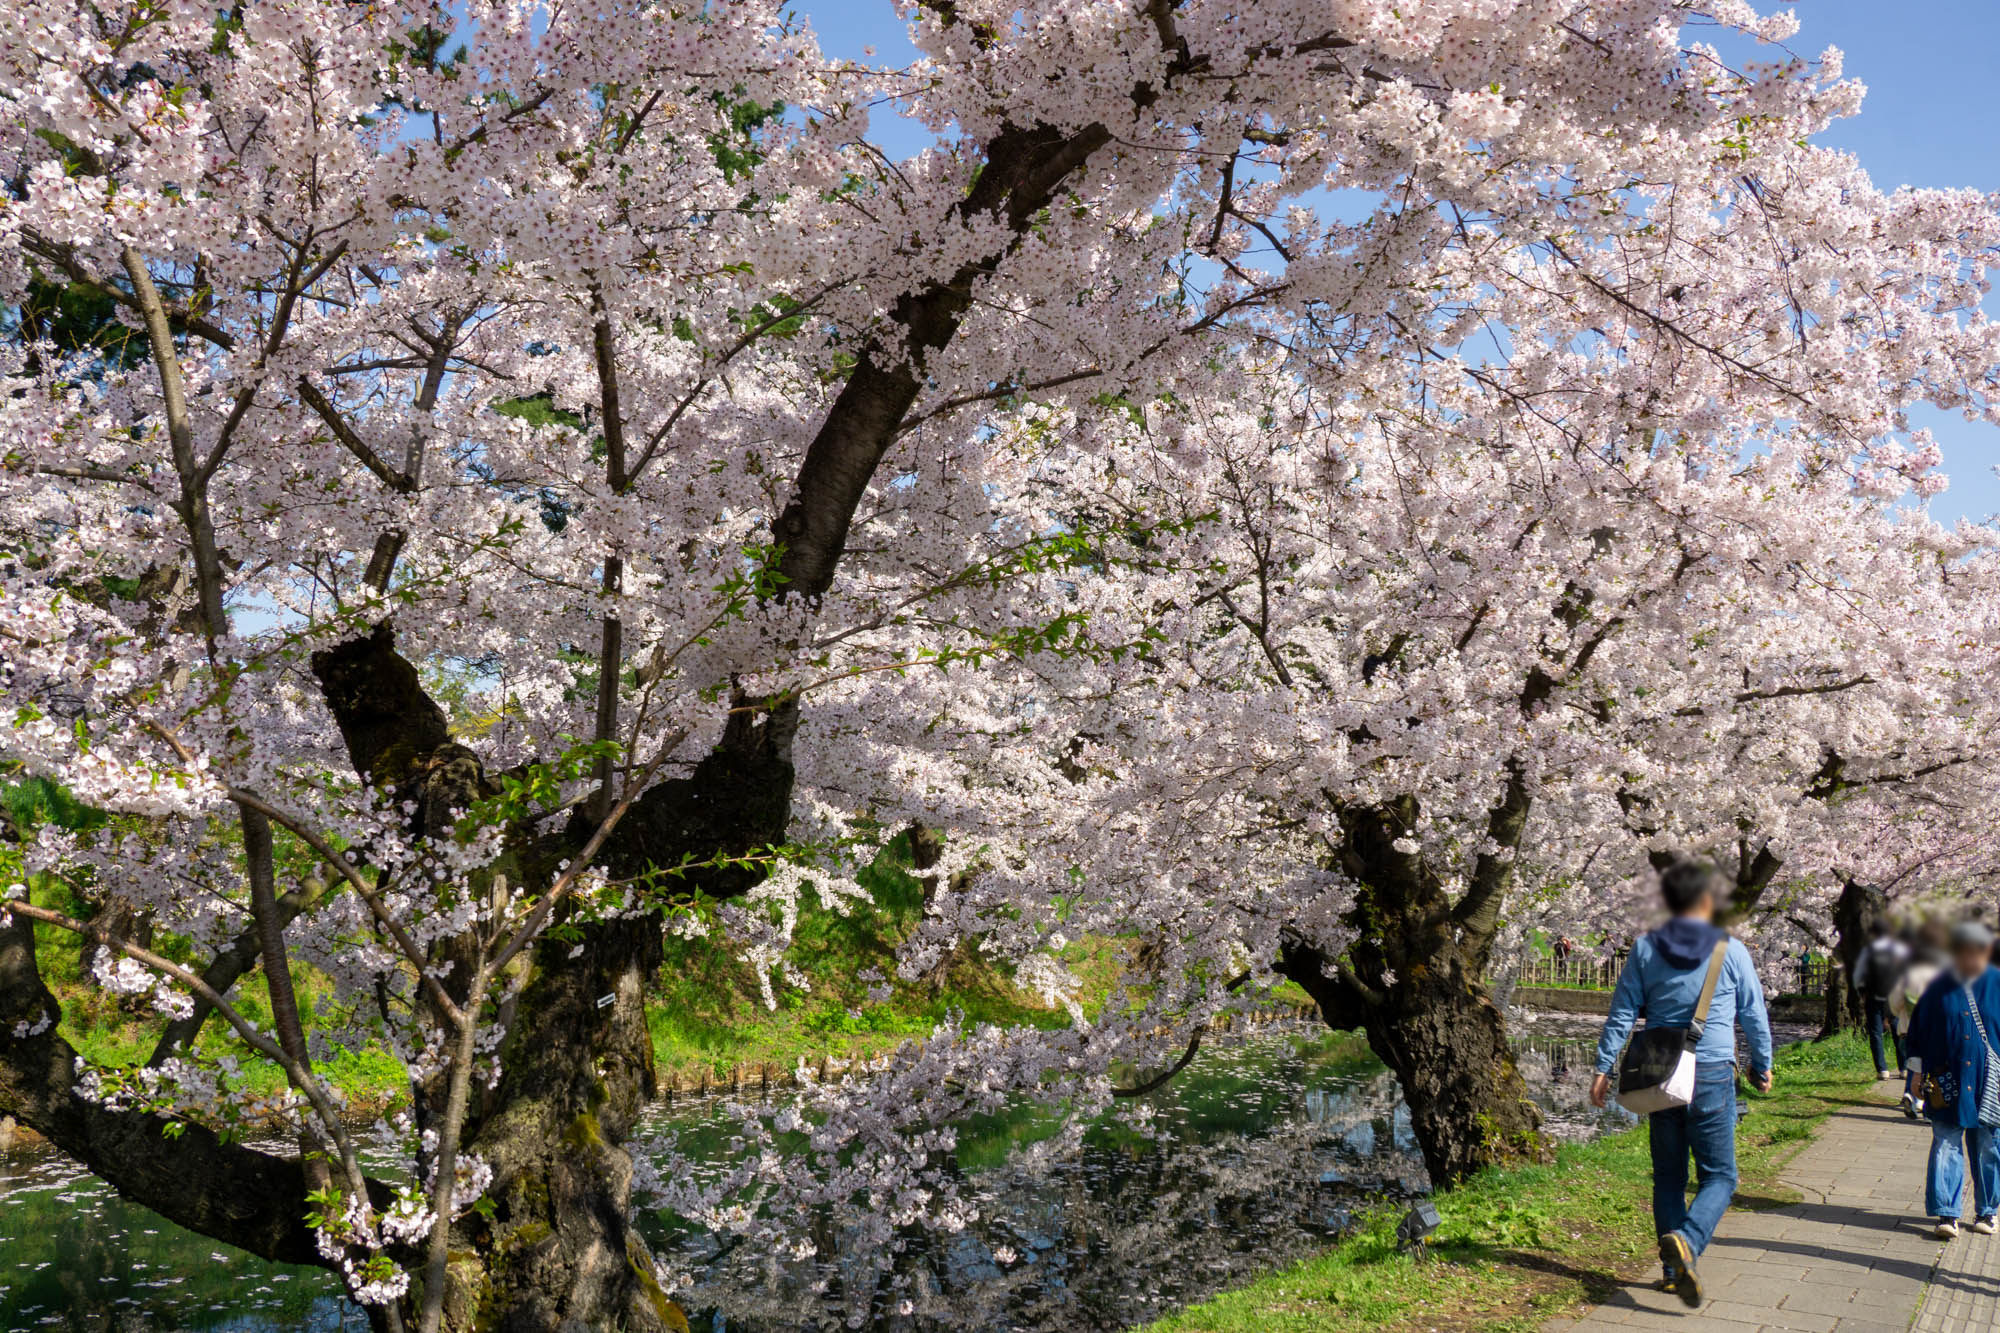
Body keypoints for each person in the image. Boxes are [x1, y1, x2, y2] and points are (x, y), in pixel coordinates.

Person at [1590, 862, 1774, 1309]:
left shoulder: (1645, 948)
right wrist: (1762, 1064)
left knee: (1669, 1177)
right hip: (1711, 1070)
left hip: (1660, 1072)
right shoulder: (1730, 950)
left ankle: (1673, 1273)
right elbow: (1753, 1013)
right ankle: (1688, 1241)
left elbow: (1623, 1011)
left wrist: (1603, 1066)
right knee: (1721, 1176)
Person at [1905, 920, 2000, 1239]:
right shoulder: (1937, 987)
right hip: (1946, 1080)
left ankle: (1987, 1210)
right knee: (1945, 1142)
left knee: (1988, 1145)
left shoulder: (1997, 983)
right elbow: (1918, 1034)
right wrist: (1916, 1073)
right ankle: (1947, 1212)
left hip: (1989, 1081)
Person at [1893, 926, 1947, 1119]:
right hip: (1934, 1031)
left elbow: (1895, 1002)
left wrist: (1899, 1013)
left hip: (1908, 1028)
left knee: (1913, 1064)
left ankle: (1912, 1095)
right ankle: (1925, 1101)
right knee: (1931, 1068)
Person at [1854, 921, 1913, 1079]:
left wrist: (1862, 992)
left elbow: (1859, 975)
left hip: (1873, 995)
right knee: (1898, 1030)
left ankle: (1882, 1070)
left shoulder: (1868, 951)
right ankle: (1904, 1068)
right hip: (1893, 995)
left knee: (1876, 1033)